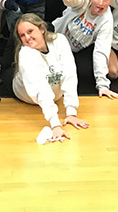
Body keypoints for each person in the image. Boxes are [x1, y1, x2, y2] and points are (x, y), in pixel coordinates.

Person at [12, 14, 89, 143]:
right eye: (22, 35)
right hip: (27, 95)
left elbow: (70, 74)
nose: (27, 38)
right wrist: (55, 124)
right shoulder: (26, 53)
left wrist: (71, 112)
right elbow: (40, 89)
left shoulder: (60, 41)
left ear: (42, 29)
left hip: (55, 93)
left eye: (30, 31)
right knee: (11, 74)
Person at [51, 0, 118, 99]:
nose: (101, 3)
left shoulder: (106, 20)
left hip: (74, 51)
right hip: (55, 41)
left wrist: (102, 85)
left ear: (111, 0)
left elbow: (101, 50)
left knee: (83, 73)